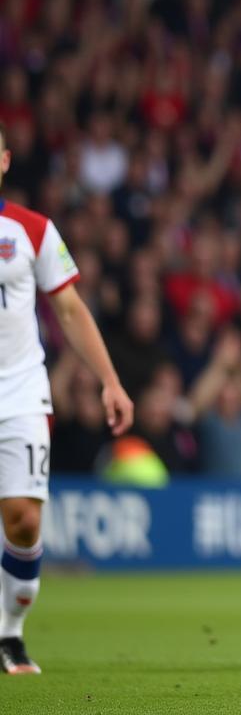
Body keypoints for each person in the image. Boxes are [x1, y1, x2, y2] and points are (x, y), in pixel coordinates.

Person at [0, 122, 134, 673]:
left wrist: (110, 381)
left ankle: (9, 633)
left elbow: (71, 309)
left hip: (21, 392)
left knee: (24, 520)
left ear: (5, 161)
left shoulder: (31, 229)